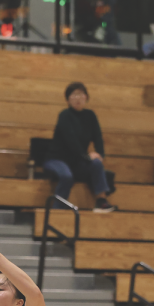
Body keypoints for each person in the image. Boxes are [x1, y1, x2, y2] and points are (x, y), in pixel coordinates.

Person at [43, 82, 117, 213]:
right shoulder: (64, 115)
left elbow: (98, 137)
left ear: (86, 97)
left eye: (81, 94)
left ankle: (101, 201)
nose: (77, 98)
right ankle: (57, 209)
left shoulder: (90, 116)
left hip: (77, 161)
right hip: (57, 159)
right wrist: (86, 156)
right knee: (66, 176)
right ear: (67, 99)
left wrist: (100, 154)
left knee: (96, 164)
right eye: (74, 95)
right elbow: (71, 141)